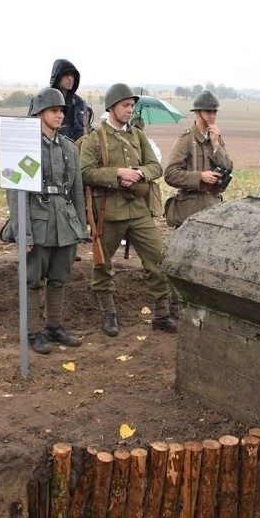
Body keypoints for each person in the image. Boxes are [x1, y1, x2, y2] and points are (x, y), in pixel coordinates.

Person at [80, 83, 177, 336]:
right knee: (102, 265)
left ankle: (162, 314)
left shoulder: (137, 135)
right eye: (125, 105)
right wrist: (117, 174)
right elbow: (85, 172)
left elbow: (155, 167)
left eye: (132, 105)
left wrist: (139, 174)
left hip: (138, 210)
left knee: (159, 259)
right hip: (109, 212)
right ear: (111, 107)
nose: (130, 110)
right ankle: (108, 314)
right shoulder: (95, 137)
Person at [3, 88, 87, 354]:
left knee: (59, 278)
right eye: (54, 110)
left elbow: (76, 191)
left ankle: (54, 326)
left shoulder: (70, 148)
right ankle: (32, 332)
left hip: (65, 221)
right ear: (39, 113)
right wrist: (23, 233)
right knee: (32, 280)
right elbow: (16, 193)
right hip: (37, 220)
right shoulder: (24, 147)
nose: (59, 115)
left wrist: (81, 228)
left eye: (62, 110)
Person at [163, 90, 234, 227]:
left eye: (214, 112)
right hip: (189, 212)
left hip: (213, 209)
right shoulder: (186, 140)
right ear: (197, 113)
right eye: (208, 112)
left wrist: (216, 146)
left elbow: (228, 168)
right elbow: (170, 174)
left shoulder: (216, 139)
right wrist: (200, 176)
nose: (212, 116)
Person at [31, 59, 89, 142]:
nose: (70, 79)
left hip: (75, 151)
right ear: (58, 76)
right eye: (66, 75)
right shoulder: (43, 98)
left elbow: (85, 130)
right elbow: (32, 127)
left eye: (72, 75)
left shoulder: (79, 102)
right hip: (49, 148)